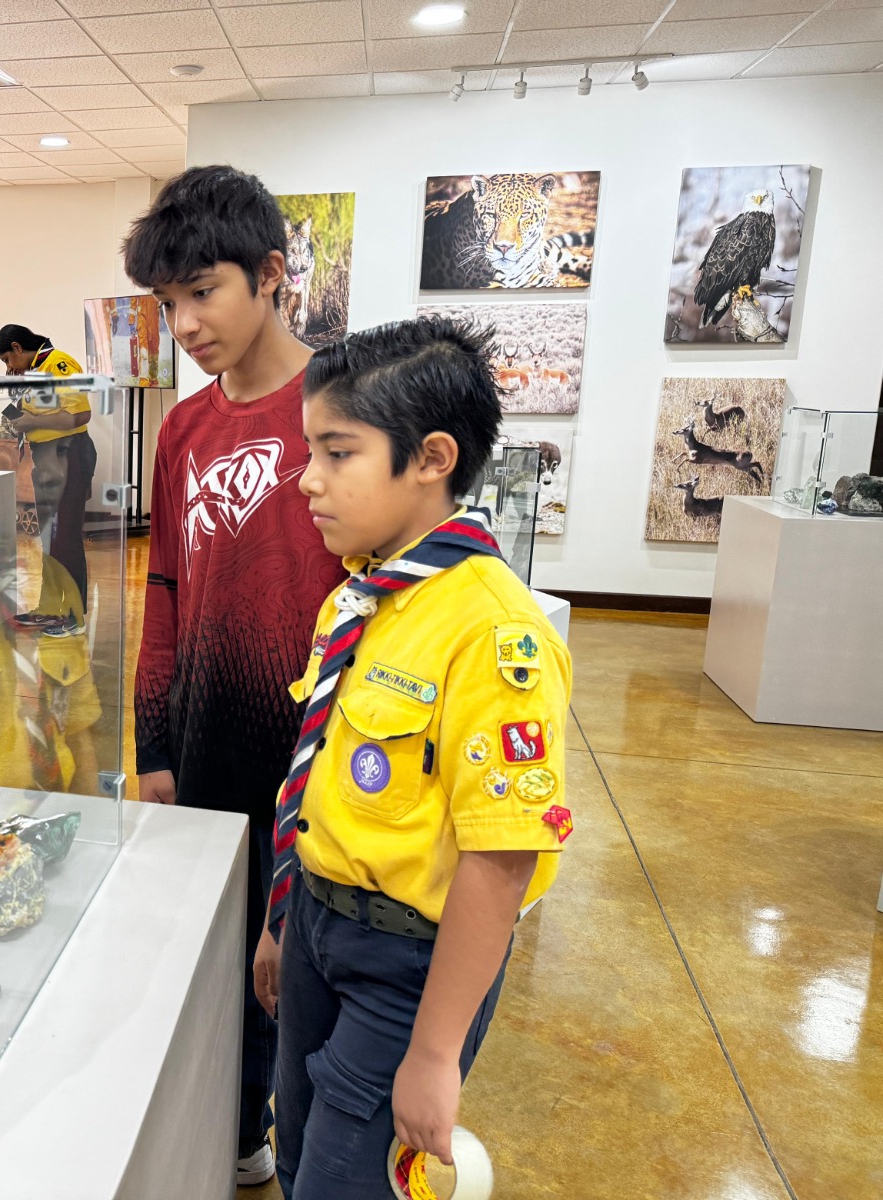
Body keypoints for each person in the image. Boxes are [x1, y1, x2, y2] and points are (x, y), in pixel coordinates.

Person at [257, 318, 572, 1198]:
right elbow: (319, 776)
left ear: (432, 458)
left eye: (338, 453)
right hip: (317, 923)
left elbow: (503, 857)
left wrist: (434, 1054)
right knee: (298, 1156)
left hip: (407, 964)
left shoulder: (492, 631)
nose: (308, 478)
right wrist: (283, 920)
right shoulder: (360, 597)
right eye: (310, 450)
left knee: (343, 1183)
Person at [121, 164, 344, 1186]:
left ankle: (307, 1143)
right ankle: (235, 1131)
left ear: (271, 274)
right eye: (168, 302)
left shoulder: (342, 408)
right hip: (207, 736)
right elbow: (164, 584)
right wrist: (153, 743)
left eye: (203, 292)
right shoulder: (182, 429)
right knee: (214, 961)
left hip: (319, 750)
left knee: (299, 964)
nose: (185, 324)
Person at [0, 323, 96, 618]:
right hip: (46, 459)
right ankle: (50, 607)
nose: (8, 366)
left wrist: (33, 422)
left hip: (68, 455)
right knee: (49, 540)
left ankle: (73, 615)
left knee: (66, 538)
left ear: (17, 347)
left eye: (7, 359)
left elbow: (81, 414)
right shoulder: (33, 372)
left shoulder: (58, 364)